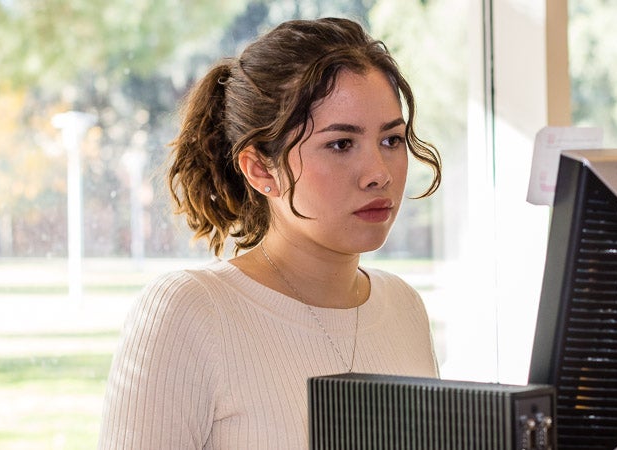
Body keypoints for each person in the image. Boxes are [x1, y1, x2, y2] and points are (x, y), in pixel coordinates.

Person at [97, 17, 442, 449]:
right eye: (340, 144)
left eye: (391, 140)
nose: (378, 174)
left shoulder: (403, 307)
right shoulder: (190, 312)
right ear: (261, 169)